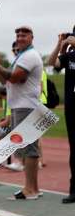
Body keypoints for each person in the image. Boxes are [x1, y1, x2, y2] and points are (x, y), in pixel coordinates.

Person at [0, 26, 43, 200]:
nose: (20, 37)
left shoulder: (30, 56)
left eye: (24, 34)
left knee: (29, 148)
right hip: (22, 105)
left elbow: (16, 77)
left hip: (26, 105)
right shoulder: (21, 56)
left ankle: (30, 190)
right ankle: (33, 188)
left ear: (32, 37)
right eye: (18, 34)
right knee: (27, 147)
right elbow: (5, 80)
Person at [47, 28, 75, 204]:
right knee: (74, 150)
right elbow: (52, 63)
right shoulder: (70, 55)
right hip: (72, 107)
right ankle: (74, 189)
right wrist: (60, 44)